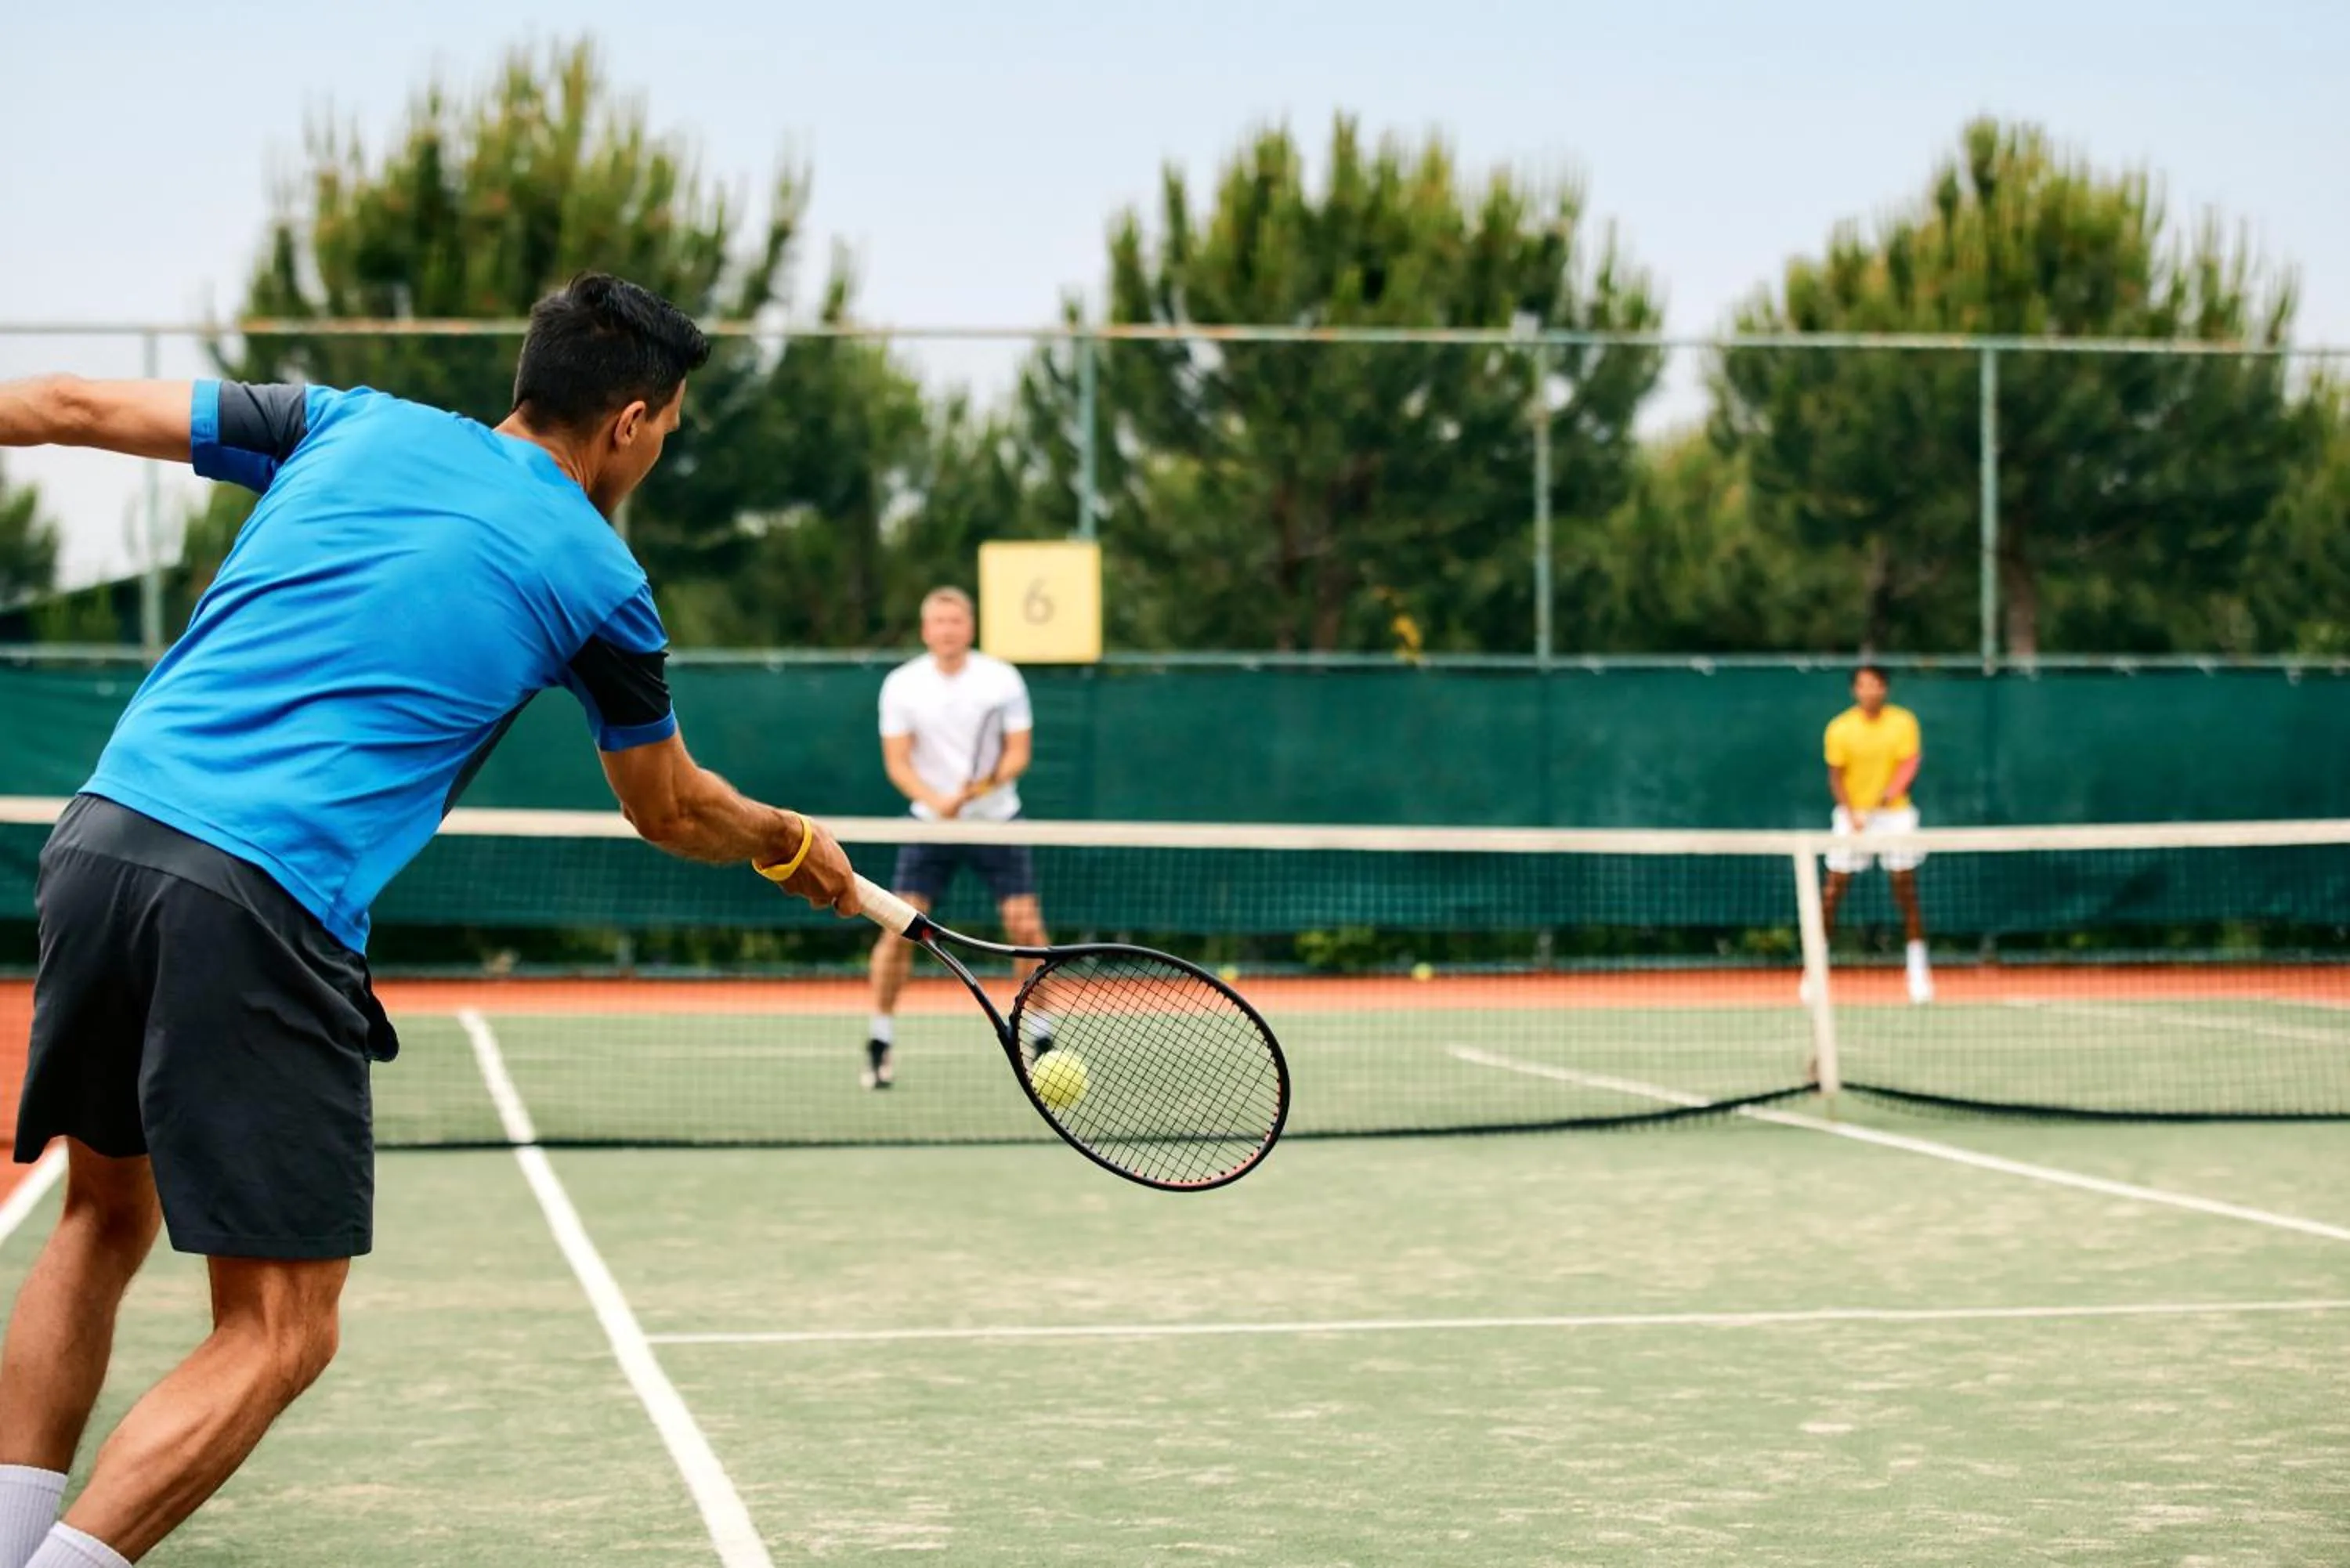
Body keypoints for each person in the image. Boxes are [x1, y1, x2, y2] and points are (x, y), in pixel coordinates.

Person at [0, 274, 859, 1568]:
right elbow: (668, 807)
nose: (667, 444)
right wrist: (788, 842)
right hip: (261, 892)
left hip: (102, 839)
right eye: (671, 422)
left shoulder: (344, 420)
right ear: (630, 420)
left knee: (99, 1217)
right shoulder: (602, 579)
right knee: (282, 1327)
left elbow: (64, 402)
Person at [864, 587, 1050, 1089]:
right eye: (939, 622)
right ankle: (879, 1040)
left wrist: (980, 788)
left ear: (969, 627)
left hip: (997, 820)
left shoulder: (1002, 679)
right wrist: (936, 799)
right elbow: (898, 763)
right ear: (927, 631)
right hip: (929, 824)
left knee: (1024, 924)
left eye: (956, 621)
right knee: (896, 927)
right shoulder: (902, 685)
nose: (948, 630)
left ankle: (1041, 1034)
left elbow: (1018, 754)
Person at [1820, 663, 1933, 1004]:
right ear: (1855, 690)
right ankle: (1816, 968)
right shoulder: (1839, 728)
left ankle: (1917, 972)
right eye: (1863, 685)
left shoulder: (1903, 722)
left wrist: (1887, 796)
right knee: (1833, 891)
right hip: (1851, 815)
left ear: (1884, 689)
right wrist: (1853, 812)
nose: (1870, 691)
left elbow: (1909, 763)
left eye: (1876, 684)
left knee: (1905, 889)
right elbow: (1836, 776)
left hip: (1895, 816)